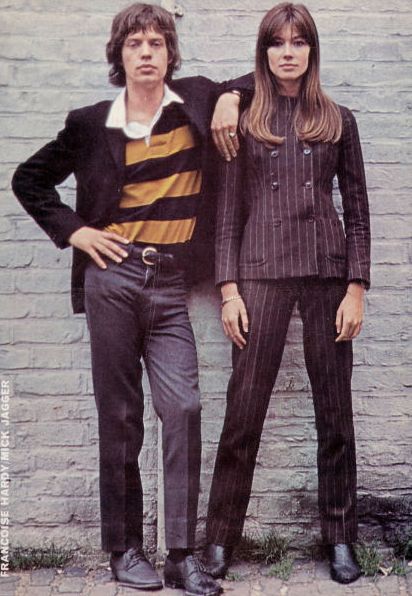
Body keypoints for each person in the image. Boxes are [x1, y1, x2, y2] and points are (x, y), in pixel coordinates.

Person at [12, 4, 242, 594]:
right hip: (111, 282)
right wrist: (76, 231)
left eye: (157, 43)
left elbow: (251, 81)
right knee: (120, 418)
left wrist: (230, 101)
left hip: (169, 287)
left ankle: (181, 554)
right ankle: (125, 550)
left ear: (170, 54)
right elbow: (28, 179)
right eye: (135, 43)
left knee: (184, 407)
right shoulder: (90, 123)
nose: (146, 52)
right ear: (119, 55)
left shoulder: (193, 99)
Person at [203, 2, 370, 585]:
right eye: (278, 42)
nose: (289, 52)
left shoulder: (339, 119)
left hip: (326, 274)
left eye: (299, 42)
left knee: (335, 415)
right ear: (265, 51)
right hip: (260, 274)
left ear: (311, 50)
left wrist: (356, 287)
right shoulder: (243, 117)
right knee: (243, 413)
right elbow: (226, 212)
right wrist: (229, 288)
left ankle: (341, 538)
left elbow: (357, 212)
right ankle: (220, 539)